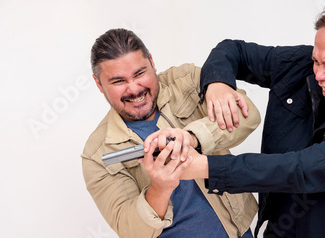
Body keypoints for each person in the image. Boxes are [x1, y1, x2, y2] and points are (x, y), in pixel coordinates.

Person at [161, 2, 325, 237]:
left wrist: (203, 166)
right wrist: (218, 83)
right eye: (316, 61)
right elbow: (233, 50)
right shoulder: (299, 65)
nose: (318, 74)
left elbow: (301, 169)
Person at [81, 28, 261, 238]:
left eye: (140, 74)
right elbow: (130, 230)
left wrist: (192, 138)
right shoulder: (97, 154)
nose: (134, 89)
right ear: (98, 84)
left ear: (152, 62)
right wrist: (160, 188)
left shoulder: (187, 81)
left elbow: (248, 115)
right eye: (118, 81)